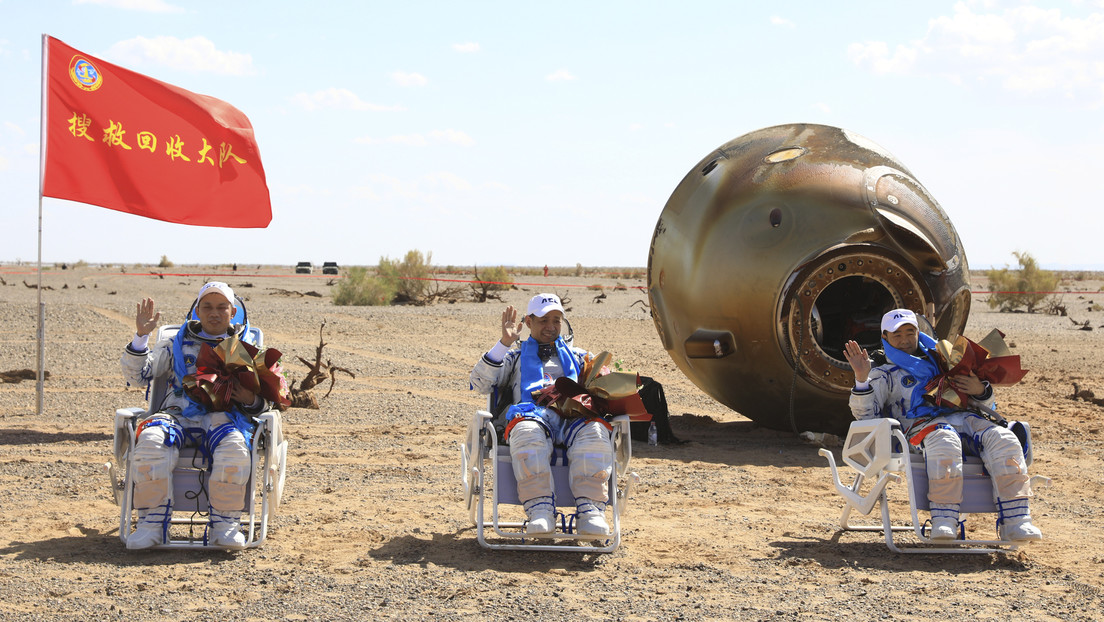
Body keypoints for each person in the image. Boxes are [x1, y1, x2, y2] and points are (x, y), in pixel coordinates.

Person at [843, 308, 1042, 542]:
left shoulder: (945, 359)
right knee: (945, 440)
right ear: (884, 338)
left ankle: (1017, 520)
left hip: (964, 420)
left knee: (1004, 439)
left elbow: (987, 405)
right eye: (897, 335)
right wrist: (861, 377)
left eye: (910, 332)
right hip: (920, 429)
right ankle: (944, 520)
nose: (905, 340)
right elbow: (866, 416)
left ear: (918, 332)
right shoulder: (883, 372)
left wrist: (979, 389)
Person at [120, 281, 272, 549]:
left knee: (235, 449)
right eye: (208, 307)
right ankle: (151, 524)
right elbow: (137, 376)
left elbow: (265, 402)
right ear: (197, 311)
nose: (214, 313)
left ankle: (224, 525)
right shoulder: (175, 343)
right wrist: (141, 337)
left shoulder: (245, 347)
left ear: (233, 311)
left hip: (223, 418)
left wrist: (249, 398)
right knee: (152, 441)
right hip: (176, 414)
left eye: (222, 307)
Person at [470, 293, 614, 536]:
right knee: (527, 433)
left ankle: (591, 512)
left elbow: (604, 384)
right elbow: (480, 382)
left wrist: (608, 380)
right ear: (528, 322)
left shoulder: (578, 356)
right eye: (543, 321)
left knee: (596, 431)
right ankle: (540, 511)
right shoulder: (514, 357)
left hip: (573, 417)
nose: (550, 327)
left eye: (556, 320)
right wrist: (504, 343)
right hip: (532, 415)